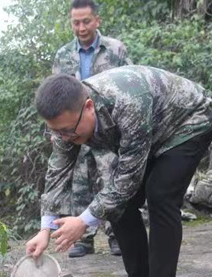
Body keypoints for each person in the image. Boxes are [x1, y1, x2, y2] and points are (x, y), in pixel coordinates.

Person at [26, 66, 212, 277]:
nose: (65, 138)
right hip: (152, 131)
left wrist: (83, 221)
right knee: (119, 205)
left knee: (161, 196)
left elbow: (128, 177)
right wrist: (45, 229)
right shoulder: (64, 125)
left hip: (189, 122)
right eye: (57, 132)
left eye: (69, 131)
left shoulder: (128, 103)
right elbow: (58, 171)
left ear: (89, 107)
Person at [52, 0, 131, 258]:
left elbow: (130, 84)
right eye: (76, 22)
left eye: (86, 21)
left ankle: (118, 235)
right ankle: (84, 239)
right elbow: (55, 95)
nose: (81, 27)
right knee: (79, 183)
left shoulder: (116, 49)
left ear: (97, 20)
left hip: (106, 127)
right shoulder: (63, 56)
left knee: (111, 177)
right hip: (76, 131)